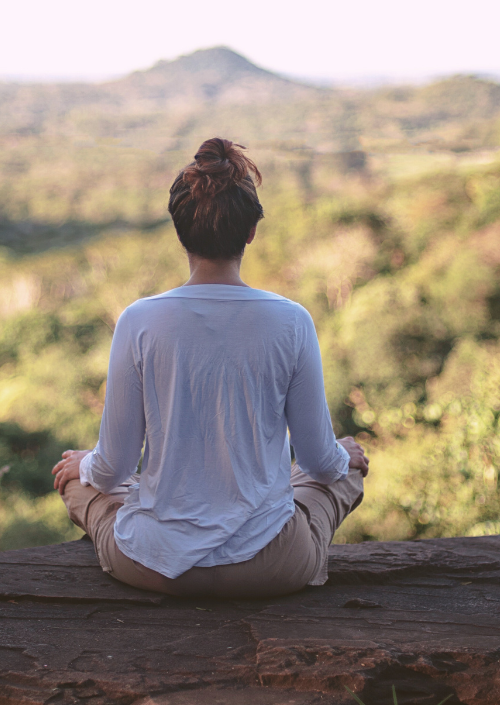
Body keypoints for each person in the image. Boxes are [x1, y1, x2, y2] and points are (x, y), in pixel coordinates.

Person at [52, 138, 368, 598]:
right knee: (344, 466)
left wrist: (87, 465)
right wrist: (343, 456)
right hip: (271, 566)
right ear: (250, 232)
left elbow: (114, 468)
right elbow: (319, 463)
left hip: (155, 566)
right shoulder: (292, 320)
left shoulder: (139, 320)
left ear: (180, 231)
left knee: (78, 483)